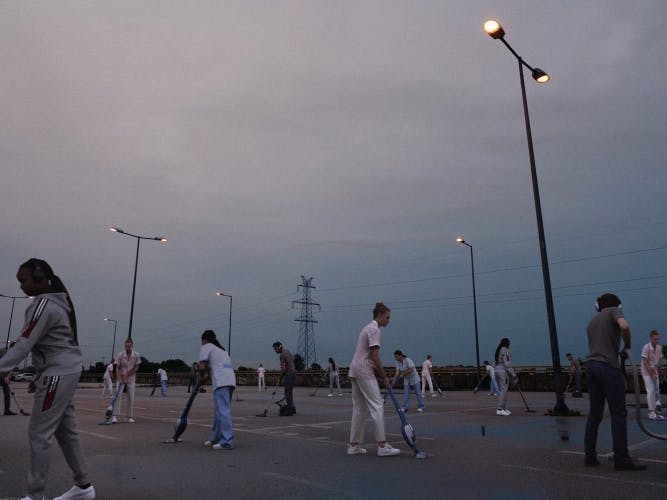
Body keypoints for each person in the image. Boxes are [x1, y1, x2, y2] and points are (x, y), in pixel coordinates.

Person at [0, 258, 95, 500]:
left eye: (24, 280)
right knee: (66, 431)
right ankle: (84, 486)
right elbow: (47, 345)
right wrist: (39, 374)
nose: (21, 286)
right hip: (63, 370)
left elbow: (24, 343)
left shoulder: (43, 305)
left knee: (39, 433)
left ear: (40, 278)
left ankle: (35, 495)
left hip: (59, 372)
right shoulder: (57, 304)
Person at [584, 293, 646, 470]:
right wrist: (627, 346)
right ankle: (621, 459)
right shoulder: (614, 312)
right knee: (618, 413)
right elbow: (624, 327)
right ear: (616, 305)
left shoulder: (591, 322)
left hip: (591, 366)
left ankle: (590, 456)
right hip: (608, 367)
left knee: (595, 414)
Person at [348, 302, 400, 457]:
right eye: (387, 317)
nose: (388, 321)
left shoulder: (366, 328)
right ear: (380, 315)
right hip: (364, 370)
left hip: (355, 369)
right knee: (377, 405)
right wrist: (384, 377)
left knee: (359, 408)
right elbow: (374, 356)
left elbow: (369, 355)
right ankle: (382, 446)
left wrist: (379, 374)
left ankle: (354, 446)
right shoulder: (375, 330)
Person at [199, 330, 235, 450]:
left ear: (204, 339)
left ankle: (227, 441)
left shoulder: (207, 346)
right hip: (230, 381)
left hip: (221, 382)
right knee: (218, 412)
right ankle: (216, 438)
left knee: (223, 411)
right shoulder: (222, 350)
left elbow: (202, 365)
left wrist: (201, 377)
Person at [113, 338, 141, 423]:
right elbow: (117, 367)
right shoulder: (120, 355)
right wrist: (118, 377)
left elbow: (137, 367)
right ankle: (114, 416)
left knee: (131, 397)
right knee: (118, 396)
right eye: (126, 346)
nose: (127, 348)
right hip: (121, 377)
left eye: (129, 346)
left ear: (132, 346)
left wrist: (128, 374)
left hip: (131, 378)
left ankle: (129, 417)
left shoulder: (136, 355)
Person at [641, 330, 664, 421]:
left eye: (658, 339)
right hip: (646, 371)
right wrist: (651, 373)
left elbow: (660, 360)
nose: (656, 341)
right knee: (650, 390)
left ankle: (656, 411)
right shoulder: (646, 347)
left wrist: (655, 369)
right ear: (650, 338)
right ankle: (651, 412)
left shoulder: (659, 348)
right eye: (655, 339)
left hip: (654, 370)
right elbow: (645, 362)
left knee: (656, 390)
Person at [272, 341, 296, 416]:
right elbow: (293, 359)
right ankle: (292, 407)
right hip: (294, 373)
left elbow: (283, 369)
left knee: (287, 392)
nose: (275, 350)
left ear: (279, 347)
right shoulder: (287, 351)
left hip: (289, 374)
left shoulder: (282, 355)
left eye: (275, 349)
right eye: (274, 349)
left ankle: (289, 410)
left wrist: (280, 378)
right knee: (290, 392)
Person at [494, 338, 516, 416]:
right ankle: (500, 409)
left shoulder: (498, 350)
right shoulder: (506, 351)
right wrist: (513, 374)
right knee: (503, 389)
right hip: (502, 371)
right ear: (507, 343)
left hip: (496, 369)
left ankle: (504, 408)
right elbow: (507, 364)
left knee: (502, 390)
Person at [1, 341, 17, 415]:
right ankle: (7, 410)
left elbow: (11, 367)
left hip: (3, 375)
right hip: (1, 374)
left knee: (7, 391)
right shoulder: (4, 352)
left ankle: (7, 410)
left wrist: (8, 377)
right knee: (6, 391)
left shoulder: (13, 355)